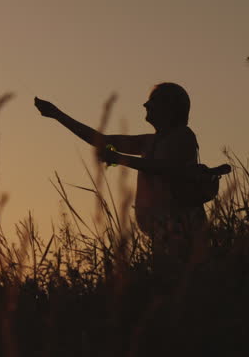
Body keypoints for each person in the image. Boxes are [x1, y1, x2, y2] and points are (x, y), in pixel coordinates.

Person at [34, 83, 206, 258]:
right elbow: (103, 140)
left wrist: (119, 158)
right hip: (163, 234)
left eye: (153, 101)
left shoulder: (183, 136)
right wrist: (57, 115)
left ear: (170, 107)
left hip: (182, 230)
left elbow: (164, 168)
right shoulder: (151, 141)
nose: (146, 105)